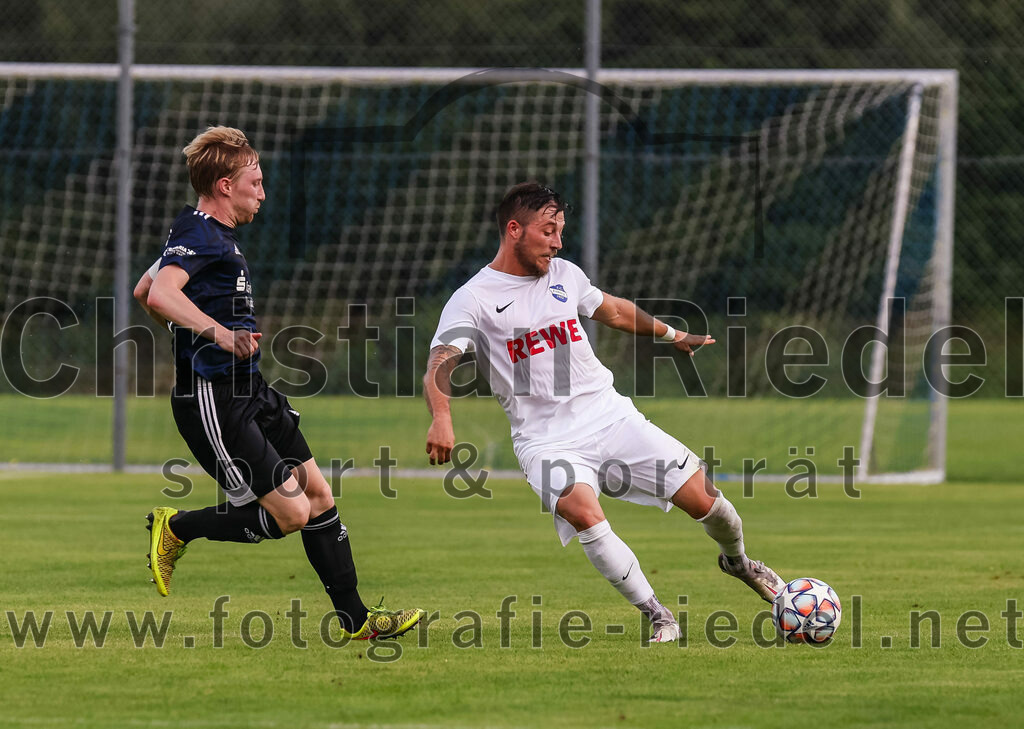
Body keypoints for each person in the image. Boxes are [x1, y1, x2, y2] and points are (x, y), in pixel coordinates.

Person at [423, 181, 784, 643]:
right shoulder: (473, 297)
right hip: (545, 440)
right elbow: (441, 361)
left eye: (561, 231)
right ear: (514, 230)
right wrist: (442, 417)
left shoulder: (565, 275)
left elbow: (612, 310)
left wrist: (673, 335)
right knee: (583, 512)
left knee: (710, 504)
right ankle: (659, 616)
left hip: (611, 417)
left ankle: (739, 562)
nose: (558, 242)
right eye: (548, 231)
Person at [138, 126, 423, 641]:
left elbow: (145, 289)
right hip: (214, 398)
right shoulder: (200, 233)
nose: (263, 193)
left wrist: (195, 331)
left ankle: (358, 621)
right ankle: (177, 528)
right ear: (226, 186)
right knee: (291, 513)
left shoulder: (204, 232)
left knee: (319, 495)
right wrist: (217, 335)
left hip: (252, 390)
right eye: (256, 182)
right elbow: (159, 295)